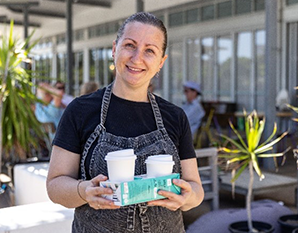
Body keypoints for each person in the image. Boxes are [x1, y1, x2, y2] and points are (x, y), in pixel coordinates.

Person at [46, 12, 204, 233]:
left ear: (161, 62)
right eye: (130, 45)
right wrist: (84, 191)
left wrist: (187, 197)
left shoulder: (175, 117)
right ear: (114, 49)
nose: (137, 58)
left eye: (150, 50)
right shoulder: (80, 111)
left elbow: (195, 189)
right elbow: (55, 185)